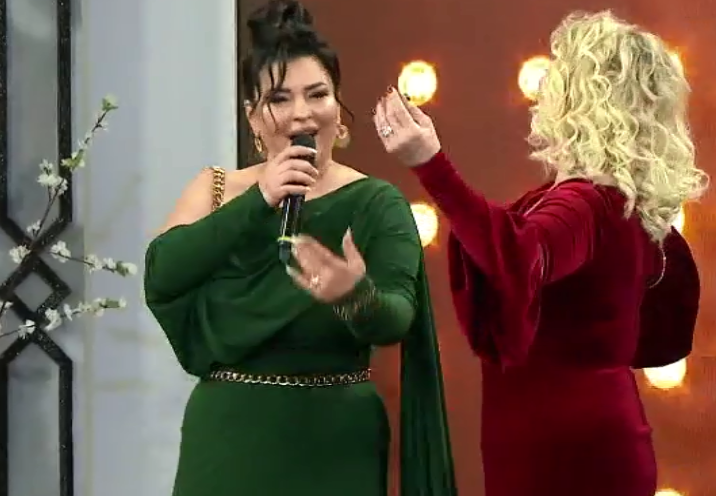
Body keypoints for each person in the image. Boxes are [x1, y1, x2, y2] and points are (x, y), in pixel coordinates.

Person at [373, 10, 706, 496]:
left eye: (560, 73)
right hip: (585, 440)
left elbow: (518, 255)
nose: (545, 87)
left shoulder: (585, 204)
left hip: (565, 457)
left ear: (583, 96)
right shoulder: (620, 201)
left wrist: (431, 165)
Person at [143, 1, 457, 495]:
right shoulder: (216, 189)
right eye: (279, 98)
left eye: (317, 94)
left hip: (336, 440)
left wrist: (353, 294)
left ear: (338, 108)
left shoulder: (376, 203)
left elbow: (398, 317)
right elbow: (162, 274)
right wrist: (260, 199)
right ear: (253, 116)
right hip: (226, 438)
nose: (302, 112)